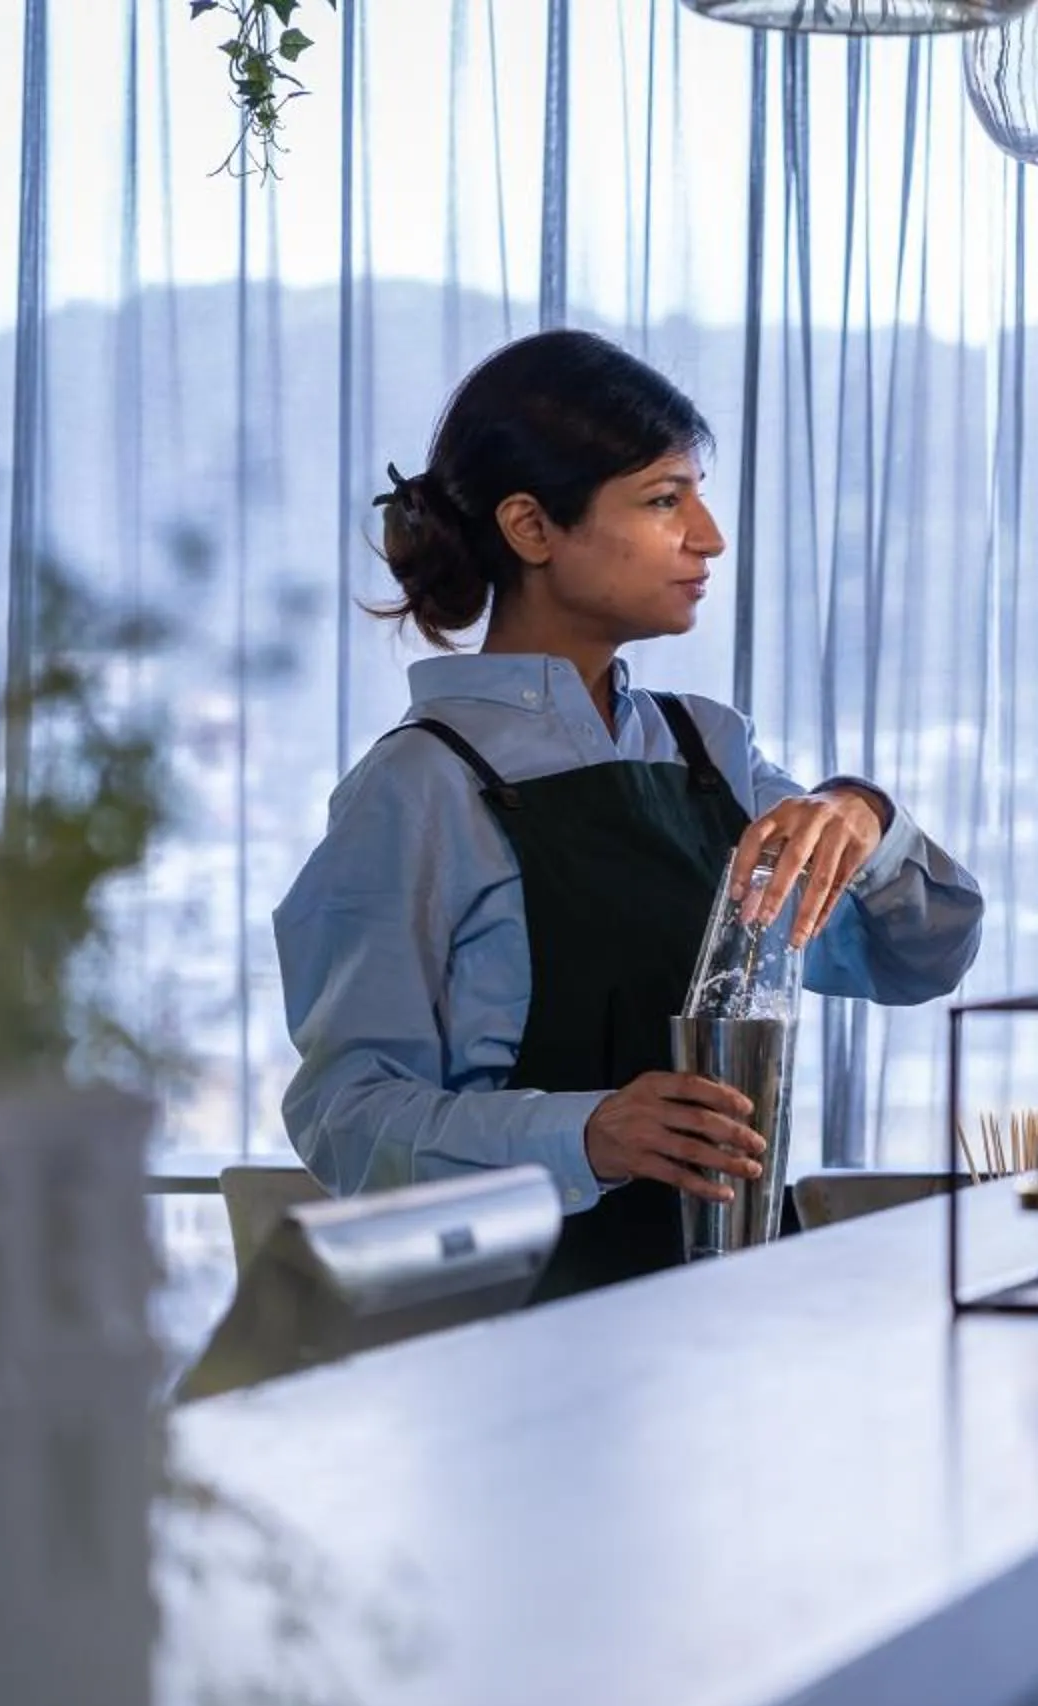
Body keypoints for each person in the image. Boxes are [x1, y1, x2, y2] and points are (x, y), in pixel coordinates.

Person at [276, 329, 985, 1299]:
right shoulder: (416, 787)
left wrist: (868, 818)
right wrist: (587, 1135)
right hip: (525, 1330)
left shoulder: (710, 752)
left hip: (736, 1305)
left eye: (697, 495)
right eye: (664, 500)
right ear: (532, 527)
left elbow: (919, 962)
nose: (709, 536)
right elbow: (345, 1120)